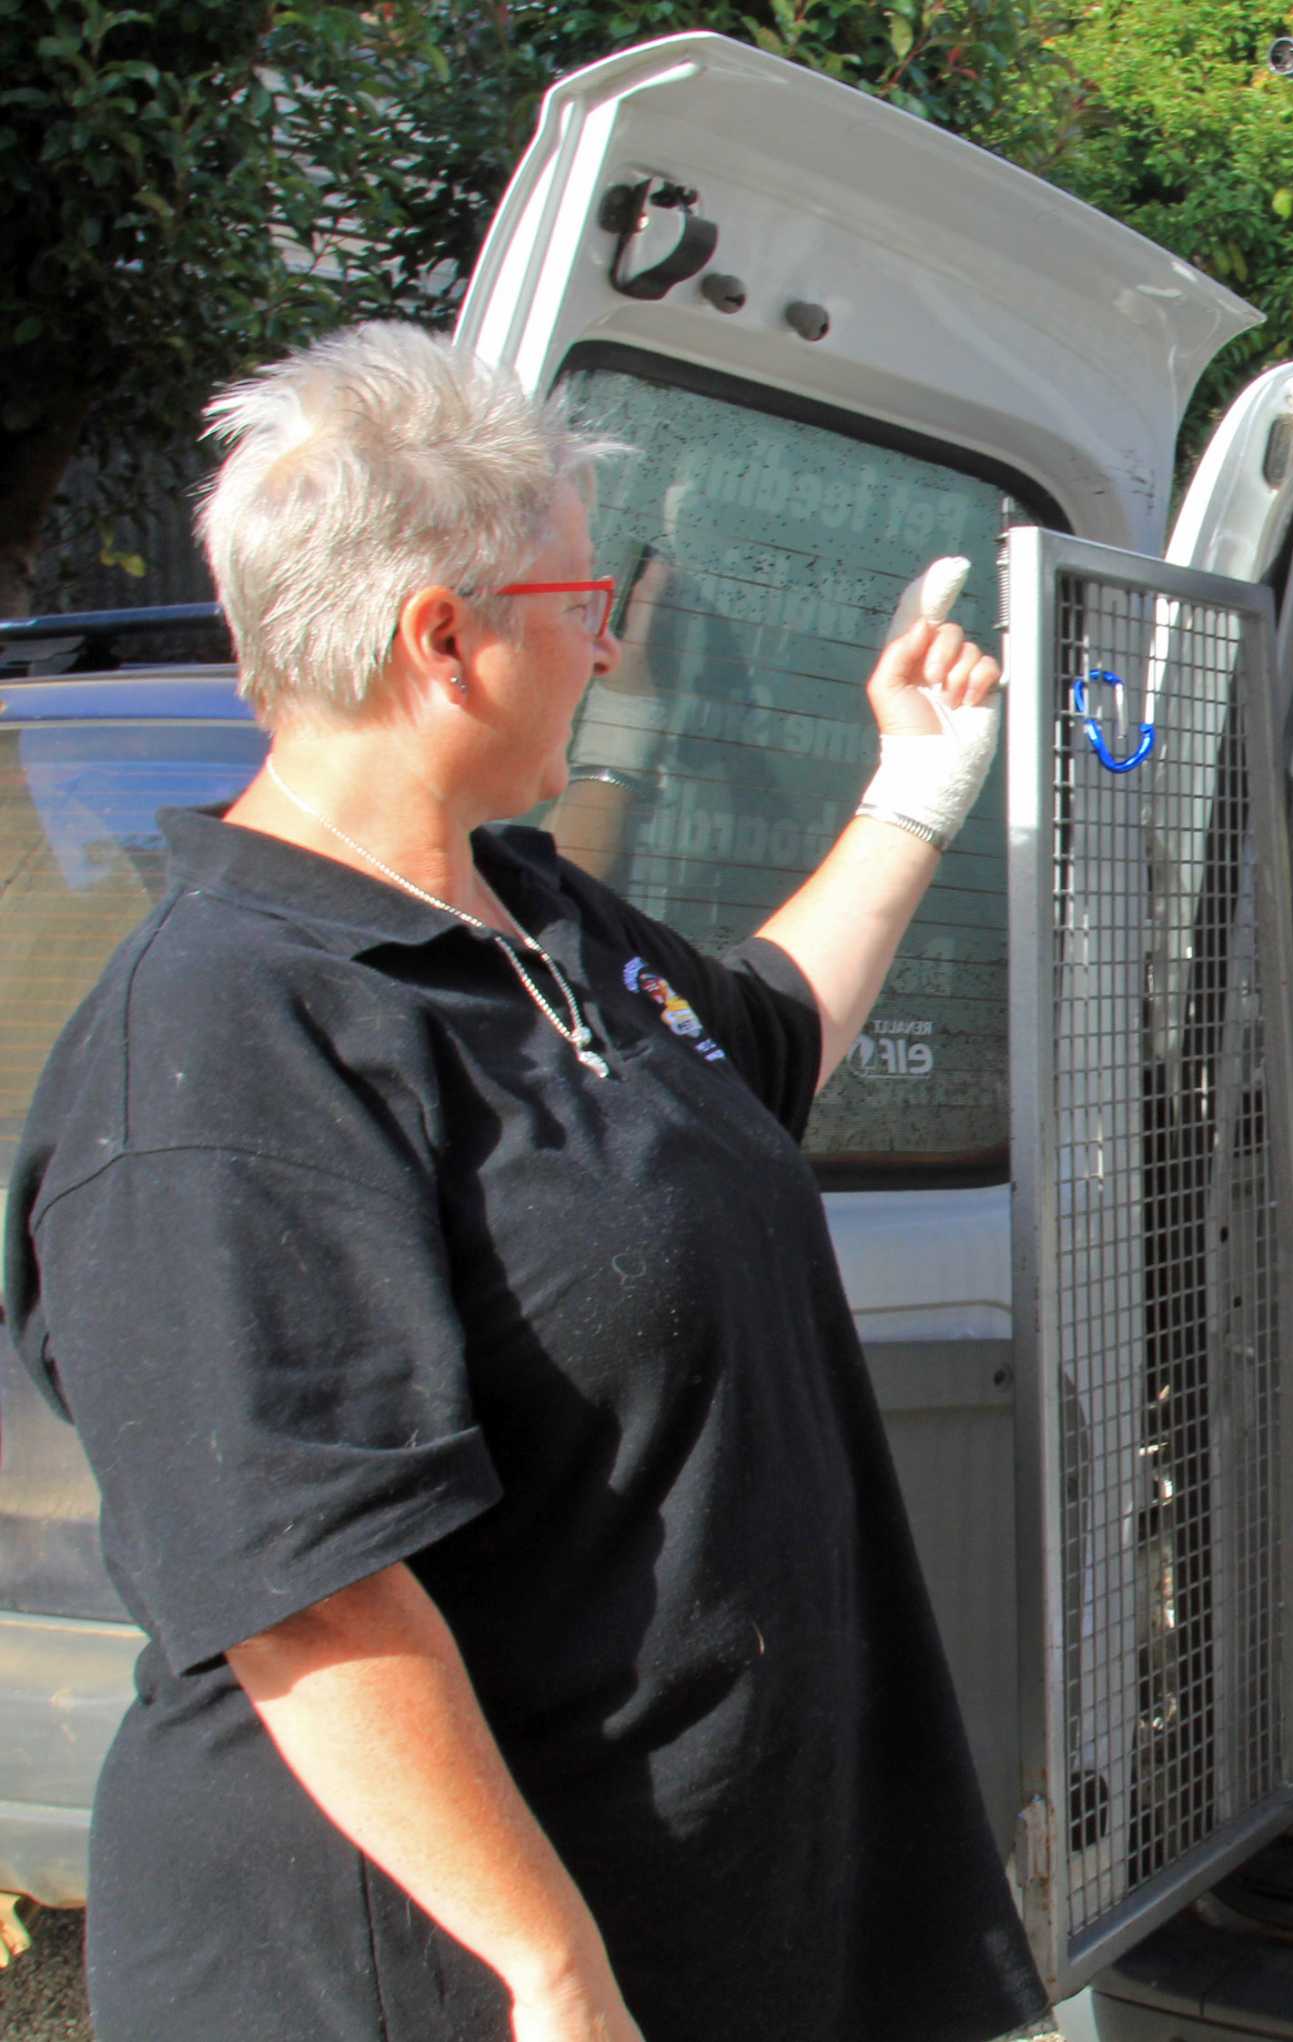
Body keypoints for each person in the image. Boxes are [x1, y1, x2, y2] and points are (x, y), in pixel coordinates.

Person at [2, 324, 1045, 2041]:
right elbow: (307, 1590)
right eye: (585, 600)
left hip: (691, 1923)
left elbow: (762, 1044)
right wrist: (546, 1965)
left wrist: (916, 789)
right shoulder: (227, 1036)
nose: (609, 641)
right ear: (443, 639)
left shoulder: (528, 916)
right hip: (427, 1973)